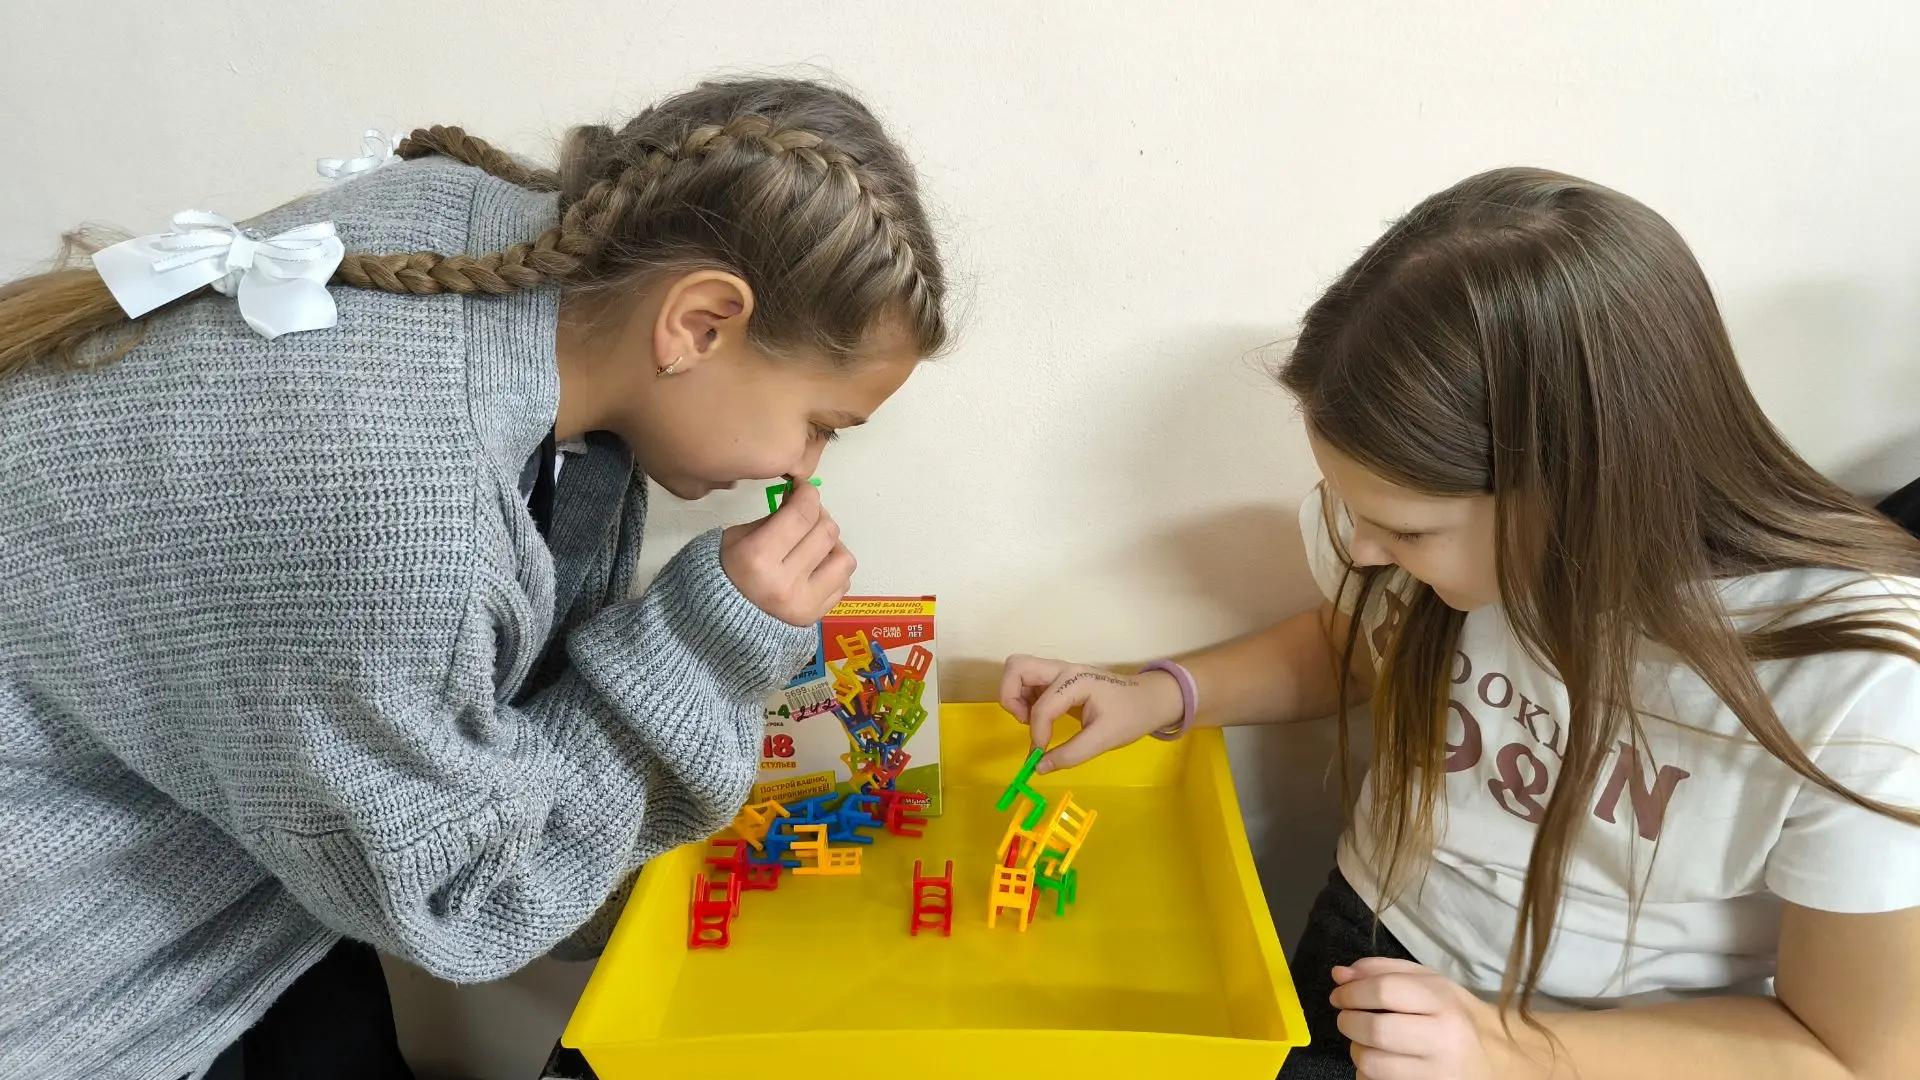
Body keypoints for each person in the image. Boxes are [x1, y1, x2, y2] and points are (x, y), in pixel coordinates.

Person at [0, 77, 947, 1079]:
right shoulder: (401, 515)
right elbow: (460, 894)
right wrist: (706, 652)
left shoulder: (474, 234)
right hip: (65, 968)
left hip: (237, 862)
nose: (803, 468)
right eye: (821, 425)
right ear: (701, 323)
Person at [1001, 168, 1920, 1080]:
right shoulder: (1423, 559)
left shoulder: (1861, 683)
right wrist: (1164, 693)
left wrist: (1506, 1051)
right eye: (1351, 510)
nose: (1360, 551)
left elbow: (1853, 1053)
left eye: (1405, 531)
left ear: (1583, 489)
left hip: (1618, 1046)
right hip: (1368, 954)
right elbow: (1358, 645)